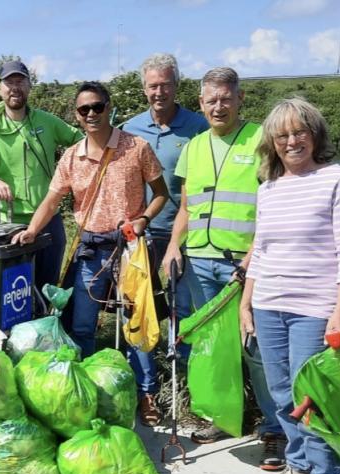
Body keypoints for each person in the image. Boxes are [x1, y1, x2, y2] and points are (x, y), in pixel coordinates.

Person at [242, 97, 340, 474]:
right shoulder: (268, 187)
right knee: (280, 394)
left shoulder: (337, 180)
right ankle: (300, 469)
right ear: (272, 144)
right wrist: (246, 302)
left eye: (299, 131)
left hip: (314, 307)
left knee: (311, 398)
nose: (292, 141)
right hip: (268, 302)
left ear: (315, 134)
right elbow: (260, 251)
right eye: (282, 135)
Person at [160, 67, 285, 470]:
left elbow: (273, 206)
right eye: (211, 100)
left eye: (225, 98)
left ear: (239, 99)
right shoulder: (193, 147)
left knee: (254, 348)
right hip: (200, 263)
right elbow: (185, 207)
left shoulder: (261, 140)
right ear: (200, 103)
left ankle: (274, 430)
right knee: (213, 347)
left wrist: (253, 258)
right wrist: (173, 247)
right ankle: (224, 418)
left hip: (244, 266)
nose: (218, 106)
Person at [14, 82, 169, 394]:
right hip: (90, 248)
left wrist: (143, 219)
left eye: (97, 106)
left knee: (136, 323)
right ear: (77, 116)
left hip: (129, 248)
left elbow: (161, 194)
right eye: (84, 109)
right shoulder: (71, 157)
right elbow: (51, 200)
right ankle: (87, 388)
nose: (92, 113)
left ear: (109, 107)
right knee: (82, 325)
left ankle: (146, 391)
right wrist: (32, 229)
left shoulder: (136, 147)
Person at [121, 53, 209, 427]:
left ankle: (193, 393)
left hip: (184, 233)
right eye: (153, 85)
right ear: (144, 89)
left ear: (177, 85)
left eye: (166, 84)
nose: (160, 92)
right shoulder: (129, 128)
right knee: (139, 311)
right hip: (139, 234)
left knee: (183, 313)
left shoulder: (199, 126)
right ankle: (147, 391)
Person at [0, 59, 83, 292]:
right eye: (9, 82)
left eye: (20, 81)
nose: (15, 87)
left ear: (30, 86)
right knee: (15, 291)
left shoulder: (45, 120)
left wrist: (71, 172)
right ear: (0, 88)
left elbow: (80, 140)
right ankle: (19, 329)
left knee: (47, 287)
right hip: (11, 223)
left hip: (49, 218)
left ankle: (47, 326)